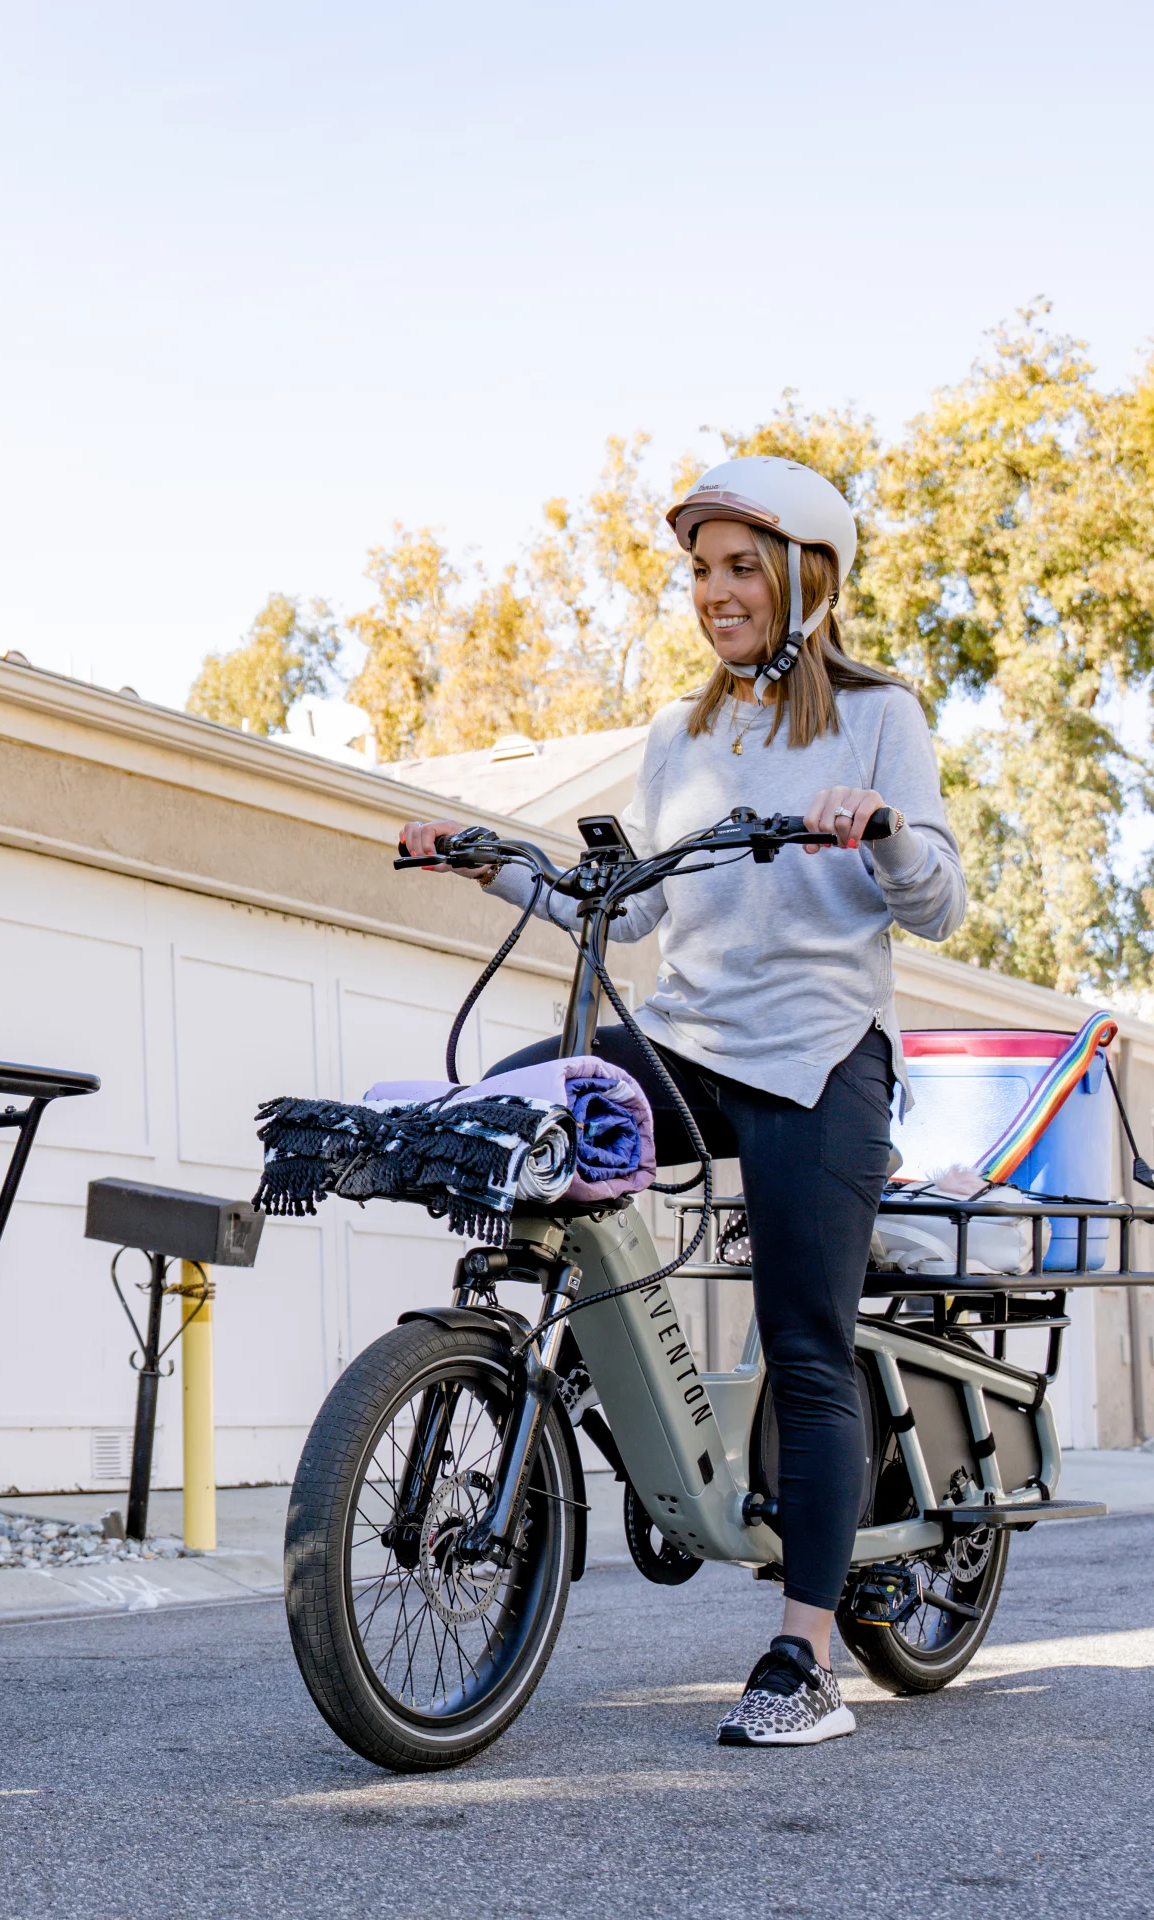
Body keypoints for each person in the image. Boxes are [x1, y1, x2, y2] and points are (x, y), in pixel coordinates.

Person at [397, 453, 966, 1748]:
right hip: (691, 1037)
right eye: (701, 569)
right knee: (515, 1104)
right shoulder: (682, 736)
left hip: (821, 1053)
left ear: (807, 577)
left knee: (805, 1346)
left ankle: (806, 1655)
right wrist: (499, 868)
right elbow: (637, 906)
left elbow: (937, 895)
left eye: (738, 566)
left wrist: (878, 830)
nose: (713, 591)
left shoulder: (884, 714)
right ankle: (564, 1374)